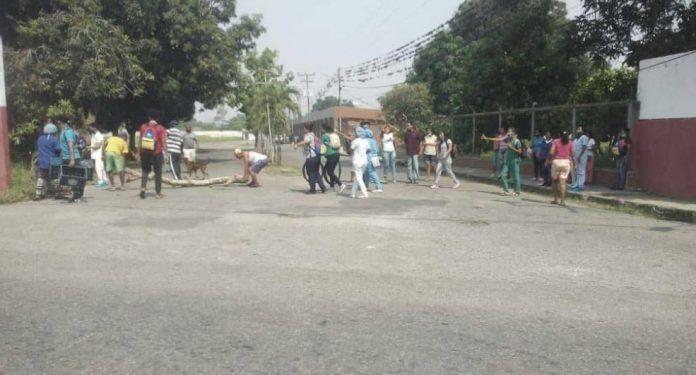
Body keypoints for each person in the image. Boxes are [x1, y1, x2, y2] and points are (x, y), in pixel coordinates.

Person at [481, 127, 522, 196]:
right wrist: (486, 138)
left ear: (513, 133)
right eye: (508, 132)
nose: (508, 133)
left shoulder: (517, 141)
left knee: (516, 177)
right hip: (508, 161)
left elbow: (520, 152)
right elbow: (498, 139)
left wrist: (511, 147)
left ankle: (517, 191)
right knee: (503, 175)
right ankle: (506, 190)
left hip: (515, 161)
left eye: (510, 132)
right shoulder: (508, 139)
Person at [137, 118, 167, 199]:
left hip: (144, 153)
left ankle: (143, 189)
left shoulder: (143, 126)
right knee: (158, 173)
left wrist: (138, 153)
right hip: (156, 153)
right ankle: (157, 193)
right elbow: (163, 141)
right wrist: (165, 151)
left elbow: (140, 140)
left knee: (145, 171)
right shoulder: (160, 128)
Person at [293, 124, 326, 194]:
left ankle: (312, 189)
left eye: (304, 129)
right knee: (316, 173)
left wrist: (297, 144)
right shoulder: (314, 135)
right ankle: (323, 187)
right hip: (317, 157)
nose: (303, 130)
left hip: (311, 157)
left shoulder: (308, 136)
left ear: (307, 129)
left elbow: (306, 141)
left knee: (310, 173)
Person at [58, 120, 84, 203]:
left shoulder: (68, 132)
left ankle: (77, 195)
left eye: (58, 123)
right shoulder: (63, 132)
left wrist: (72, 159)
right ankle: (76, 195)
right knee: (70, 177)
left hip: (72, 157)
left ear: (61, 122)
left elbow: (71, 145)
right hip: (66, 157)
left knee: (74, 177)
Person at [34, 123, 61, 200]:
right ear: (54, 131)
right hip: (53, 161)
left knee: (41, 177)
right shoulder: (54, 139)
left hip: (42, 161)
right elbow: (58, 149)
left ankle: (38, 194)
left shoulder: (40, 138)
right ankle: (57, 193)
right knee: (55, 177)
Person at [549, 130, 575, 206]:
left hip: (556, 162)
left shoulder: (556, 141)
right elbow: (573, 153)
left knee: (555, 181)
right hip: (566, 162)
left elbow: (551, 152)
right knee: (563, 183)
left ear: (559, 135)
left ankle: (555, 199)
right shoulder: (570, 142)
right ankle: (562, 201)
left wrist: (550, 159)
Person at [321, 125, 345, 192]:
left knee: (329, 172)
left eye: (322, 129)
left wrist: (321, 153)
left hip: (330, 155)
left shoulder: (325, 136)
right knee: (330, 171)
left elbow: (322, 146)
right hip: (336, 155)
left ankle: (341, 184)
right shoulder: (335, 135)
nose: (322, 130)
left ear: (324, 129)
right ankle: (331, 185)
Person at [350, 127, 369, 199]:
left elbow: (351, 149)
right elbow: (368, 150)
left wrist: (352, 156)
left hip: (357, 162)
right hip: (364, 161)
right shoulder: (365, 141)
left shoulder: (356, 141)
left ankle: (365, 193)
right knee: (357, 177)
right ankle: (353, 193)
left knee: (359, 178)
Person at [363, 126, 383, 193]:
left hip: (369, 158)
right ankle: (365, 185)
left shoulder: (365, 140)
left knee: (371, 172)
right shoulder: (374, 141)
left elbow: (364, 150)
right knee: (367, 172)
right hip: (375, 157)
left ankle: (378, 187)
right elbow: (377, 150)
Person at [570, 126, 589, 192]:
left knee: (581, 171)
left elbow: (584, 147)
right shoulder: (575, 139)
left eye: (579, 129)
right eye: (577, 129)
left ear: (583, 131)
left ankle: (581, 186)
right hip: (576, 157)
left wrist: (580, 156)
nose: (578, 130)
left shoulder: (584, 137)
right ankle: (577, 184)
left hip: (582, 157)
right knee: (577, 171)